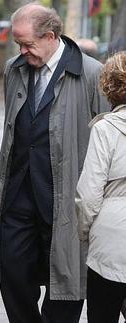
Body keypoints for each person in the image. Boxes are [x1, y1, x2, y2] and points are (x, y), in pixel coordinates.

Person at [0, 3, 110, 323]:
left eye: (27, 44)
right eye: (18, 45)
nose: (22, 51)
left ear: (50, 36)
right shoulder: (14, 68)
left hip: (66, 200)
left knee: (65, 283)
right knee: (13, 276)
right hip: (19, 196)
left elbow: (108, 136)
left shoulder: (91, 73)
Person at [76, 52, 126, 323]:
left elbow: (88, 194)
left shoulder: (105, 129)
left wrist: (86, 233)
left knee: (102, 315)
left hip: (110, 241)